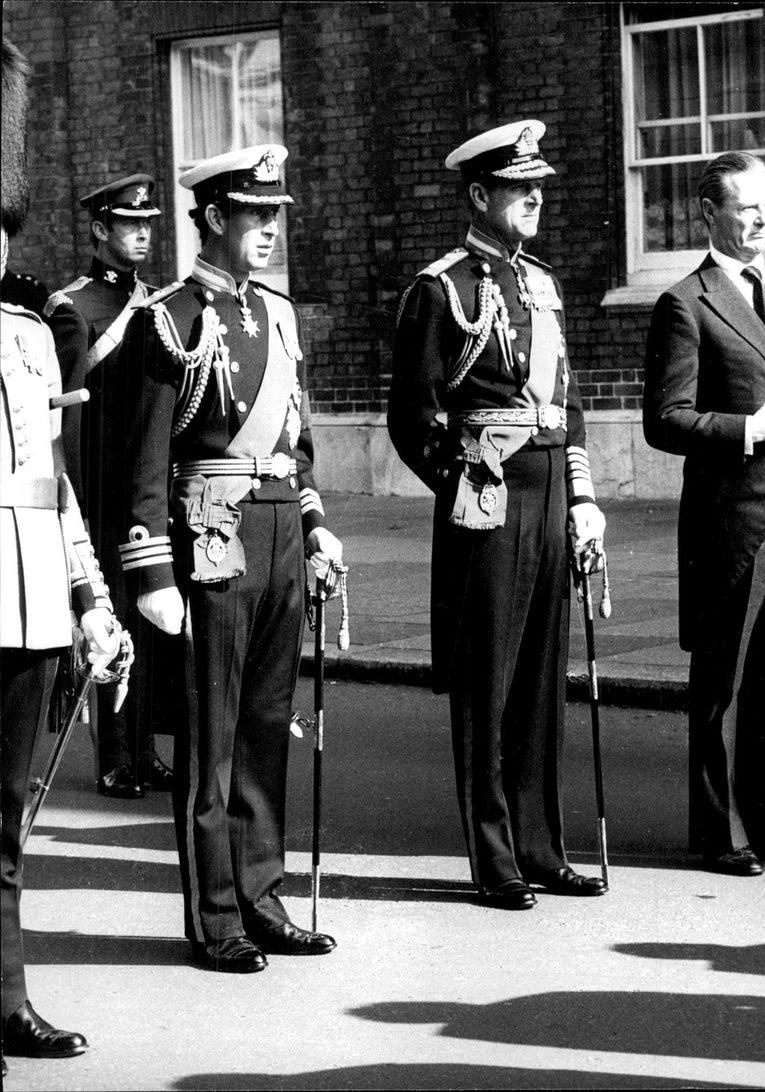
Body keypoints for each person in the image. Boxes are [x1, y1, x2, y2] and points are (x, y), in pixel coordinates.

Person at [117, 144, 343, 972]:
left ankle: (262, 893)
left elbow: (299, 442)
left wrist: (315, 524)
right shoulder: (171, 320)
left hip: (280, 527)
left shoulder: (277, 316)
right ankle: (216, 917)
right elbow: (142, 461)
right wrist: (149, 574)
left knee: (264, 728)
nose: (270, 230)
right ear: (214, 218)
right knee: (210, 741)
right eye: (256, 216)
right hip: (211, 535)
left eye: (276, 216)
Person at [388, 120, 608, 910]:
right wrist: (463, 482)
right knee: (489, 680)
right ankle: (493, 857)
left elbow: (569, 405)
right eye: (520, 188)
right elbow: (413, 420)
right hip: (488, 500)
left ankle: (542, 846)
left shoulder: (539, 283)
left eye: (538, 186)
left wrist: (583, 499)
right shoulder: (442, 288)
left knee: (543, 679)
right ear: (481, 196)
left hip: (550, 491)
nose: (536, 198)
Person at [1, 36, 120, 1074]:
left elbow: (52, 487)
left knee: (8, 827)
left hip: (30, 605)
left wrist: (91, 598)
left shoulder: (33, 335)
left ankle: (6, 1000)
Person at [643, 151, 765, 876]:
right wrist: (745, 431)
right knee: (726, 681)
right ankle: (722, 833)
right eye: (746, 207)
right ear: (710, 214)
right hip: (734, 520)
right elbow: (664, 419)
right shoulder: (686, 302)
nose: (763, 218)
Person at [45, 175, 177, 799]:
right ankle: (115, 757)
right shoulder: (73, 309)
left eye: (149, 221)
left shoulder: (157, 302)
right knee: (114, 612)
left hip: (147, 484)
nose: (144, 231)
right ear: (100, 230)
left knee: (150, 613)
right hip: (97, 485)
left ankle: (145, 747)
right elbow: (63, 415)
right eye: (130, 223)